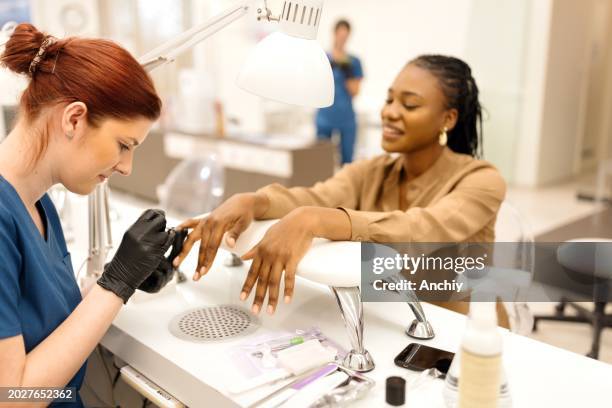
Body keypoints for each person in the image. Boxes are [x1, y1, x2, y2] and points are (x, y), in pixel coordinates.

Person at [175, 55, 506, 320]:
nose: (390, 112)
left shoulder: (482, 181)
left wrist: (316, 220)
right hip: (386, 319)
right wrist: (252, 201)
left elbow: (422, 230)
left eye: (409, 104)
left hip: (462, 331)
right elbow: (315, 196)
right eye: (390, 99)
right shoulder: (373, 170)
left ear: (448, 119)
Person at [0, 24, 175, 406]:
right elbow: (12, 398)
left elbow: (40, 322)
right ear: (74, 119)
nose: (126, 166)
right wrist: (116, 283)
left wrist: (126, 279)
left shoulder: (38, 204)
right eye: (123, 145)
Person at [316, 19, 364, 164]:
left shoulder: (354, 62)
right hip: (325, 116)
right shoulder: (322, 58)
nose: (342, 39)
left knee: (347, 160)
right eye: (340, 35)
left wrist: (347, 72)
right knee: (322, 160)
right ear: (334, 33)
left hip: (346, 117)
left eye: (346, 36)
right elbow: (315, 89)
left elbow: (355, 91)